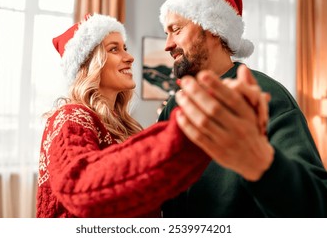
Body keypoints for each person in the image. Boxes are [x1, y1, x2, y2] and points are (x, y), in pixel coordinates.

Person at [35, 13, 267, 218]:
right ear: (88, 64)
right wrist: (192, 131)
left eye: (125, 47)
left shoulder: (126, 128)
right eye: (114, 49)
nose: (129, 57)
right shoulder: (69, 117)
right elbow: (77, 183)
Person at [157, 0, 327, 217]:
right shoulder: (175, 107)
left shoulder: (268, 97)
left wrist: (260, 164)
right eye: (166, 33)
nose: (168, 45)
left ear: (213, 28)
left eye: (176, 30)